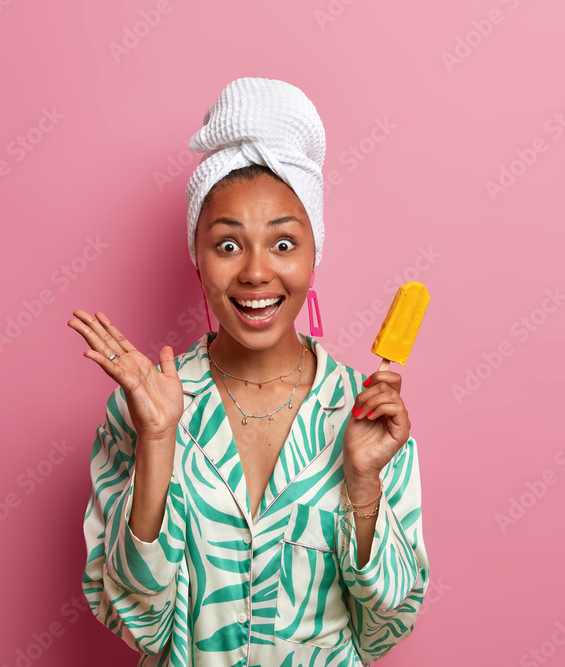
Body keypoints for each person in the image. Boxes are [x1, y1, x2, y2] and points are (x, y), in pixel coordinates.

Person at [68, 77, 428, 666]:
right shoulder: (146, 405)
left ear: (315, 252)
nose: (257, 272)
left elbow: (384, 628)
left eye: (283, 244)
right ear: (197, 255)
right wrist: (158, 442)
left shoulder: (367, 416)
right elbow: (137, 623)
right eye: (228, 245)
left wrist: (363, 483)